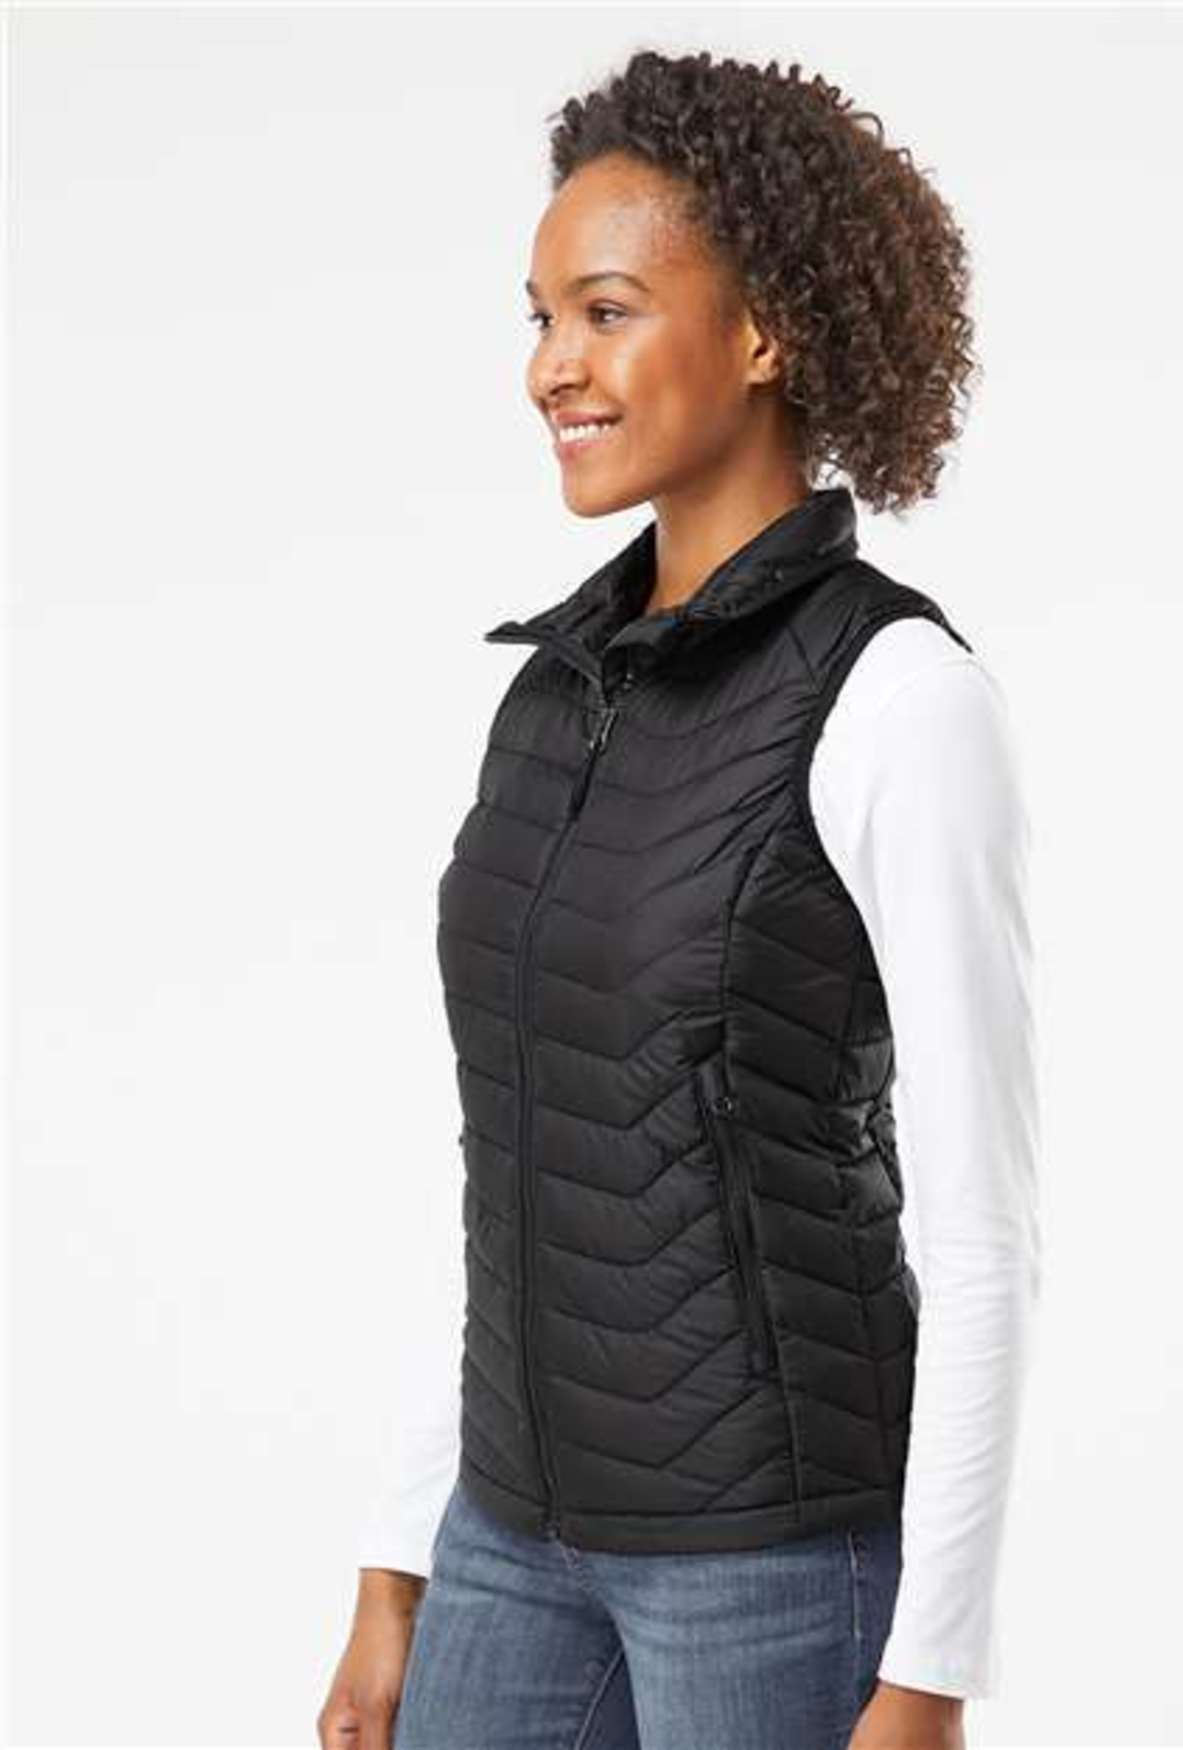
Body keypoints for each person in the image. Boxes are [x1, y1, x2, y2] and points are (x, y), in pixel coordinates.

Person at [318, 47, 1041, 1750]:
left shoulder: (898, 697)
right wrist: (398, 1558)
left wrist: (930, 1673)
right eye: (540, 318)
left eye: (607, 311)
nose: (551, 366)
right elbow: (523, 1161)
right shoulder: (553, 693)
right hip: (509, 1538)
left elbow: (984, 1233)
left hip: (772, 1564)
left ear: (765, 331)